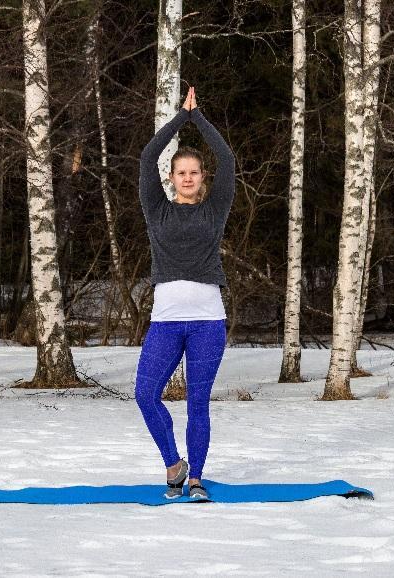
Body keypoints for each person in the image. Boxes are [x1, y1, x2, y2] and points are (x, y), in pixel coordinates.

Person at [135, 86, 235, 501]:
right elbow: (146, 159)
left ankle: (195, 481)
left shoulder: (215, 209)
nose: (189, 177)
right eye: (182, 172)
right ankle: (174, 466)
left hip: (208, 321)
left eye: (195, 171)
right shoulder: (157, 208)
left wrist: (200, 119)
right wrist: (181, 117)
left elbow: (227, 158)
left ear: (202, 177)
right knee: (145, 394)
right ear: (172, 178)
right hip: (166, 321)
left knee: (197, 402)